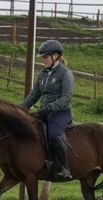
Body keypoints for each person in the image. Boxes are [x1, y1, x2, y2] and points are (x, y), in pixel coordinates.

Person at [19, 39, 74, 180]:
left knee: (54, 134)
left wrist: (50, 107)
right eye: (42, 57)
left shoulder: (65, 74)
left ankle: (65, 168)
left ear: (55, 56)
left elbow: (66, 97)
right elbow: (33, 95)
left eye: (45, 57)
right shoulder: (43, 74)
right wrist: (19, 110)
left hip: (61, 112)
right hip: (44, 111)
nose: (43, 60)